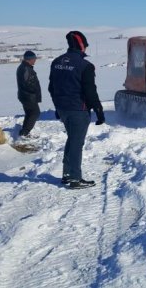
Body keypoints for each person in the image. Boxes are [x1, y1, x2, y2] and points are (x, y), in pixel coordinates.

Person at [48, 31, 105, 189]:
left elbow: (51, 88)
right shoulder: (85, 66)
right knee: (76, 143)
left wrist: (58, 107)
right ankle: (74, 178)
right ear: (82, 46)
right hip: (78, 110)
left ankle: (67, 174)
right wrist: (99, 110)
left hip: (63, 109)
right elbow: (90, 91)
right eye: (85, 46)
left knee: (72, 140)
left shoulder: (56, 62)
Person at [16, 50, 41, 137]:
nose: (35, 60)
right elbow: (27, 83)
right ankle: (25, 132)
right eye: (34, 58)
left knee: (29, 113)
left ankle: (24, 131)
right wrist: (34, 90)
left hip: (25, 95)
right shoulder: (25, 69)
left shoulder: (24, 67)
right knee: (35, 113)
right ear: (29, 59)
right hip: (28, 96)